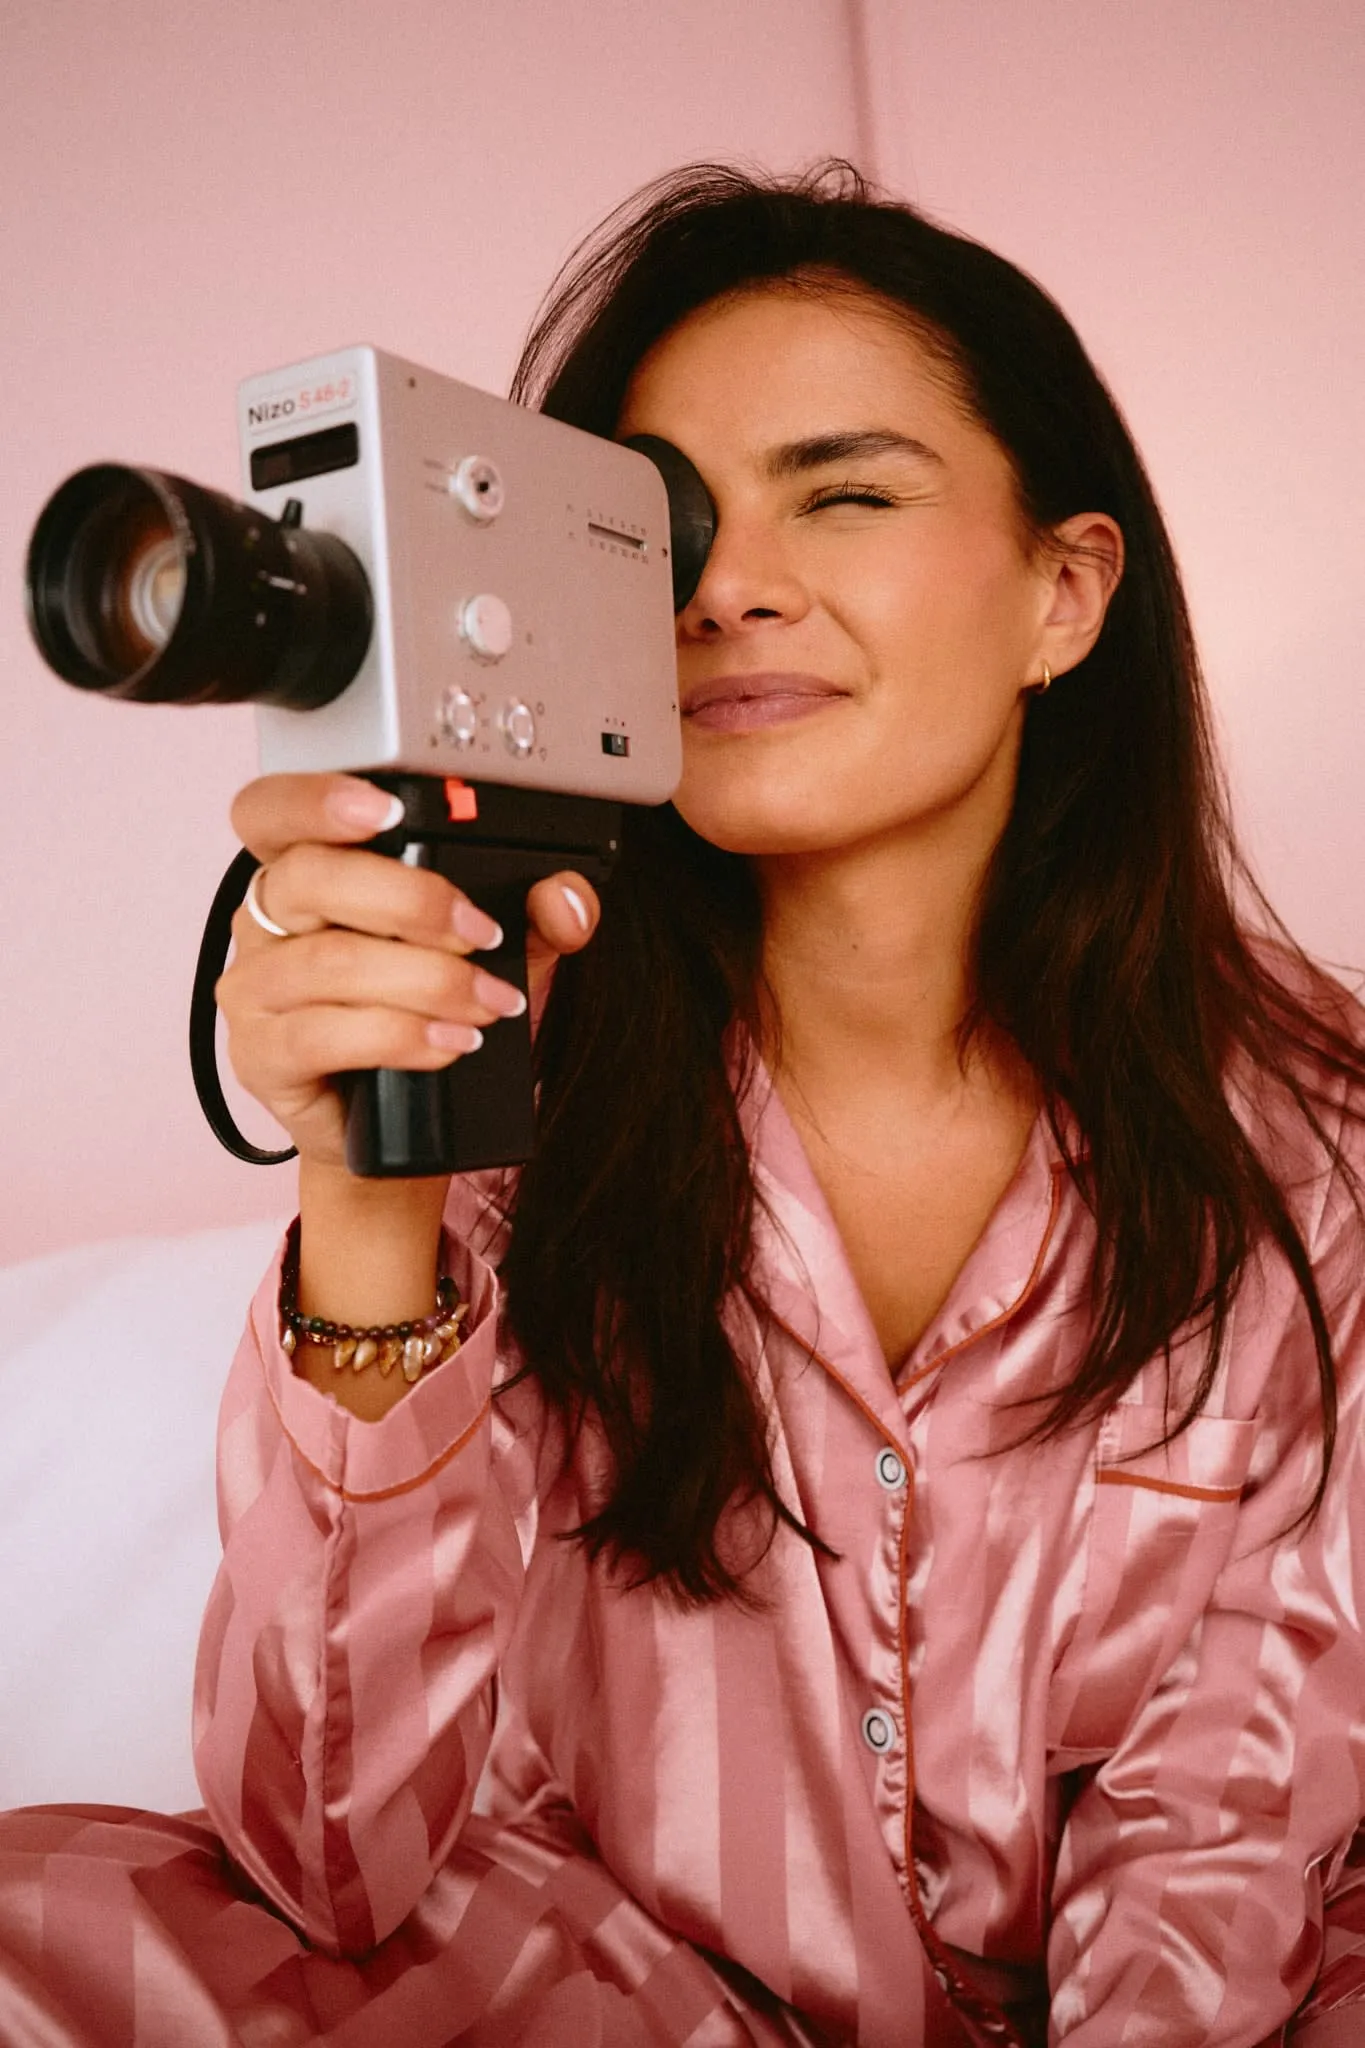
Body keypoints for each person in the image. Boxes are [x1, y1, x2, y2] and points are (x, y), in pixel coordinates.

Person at [2, 159, 1364, 2048]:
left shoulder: (1310, 1138)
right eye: (663, 529)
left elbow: (1226, 1823)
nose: (726, 588)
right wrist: (373, 1192)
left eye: (847, 494)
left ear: (1065, 594)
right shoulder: (519, 1057)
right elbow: (330, 1868)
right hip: (634, 1994)